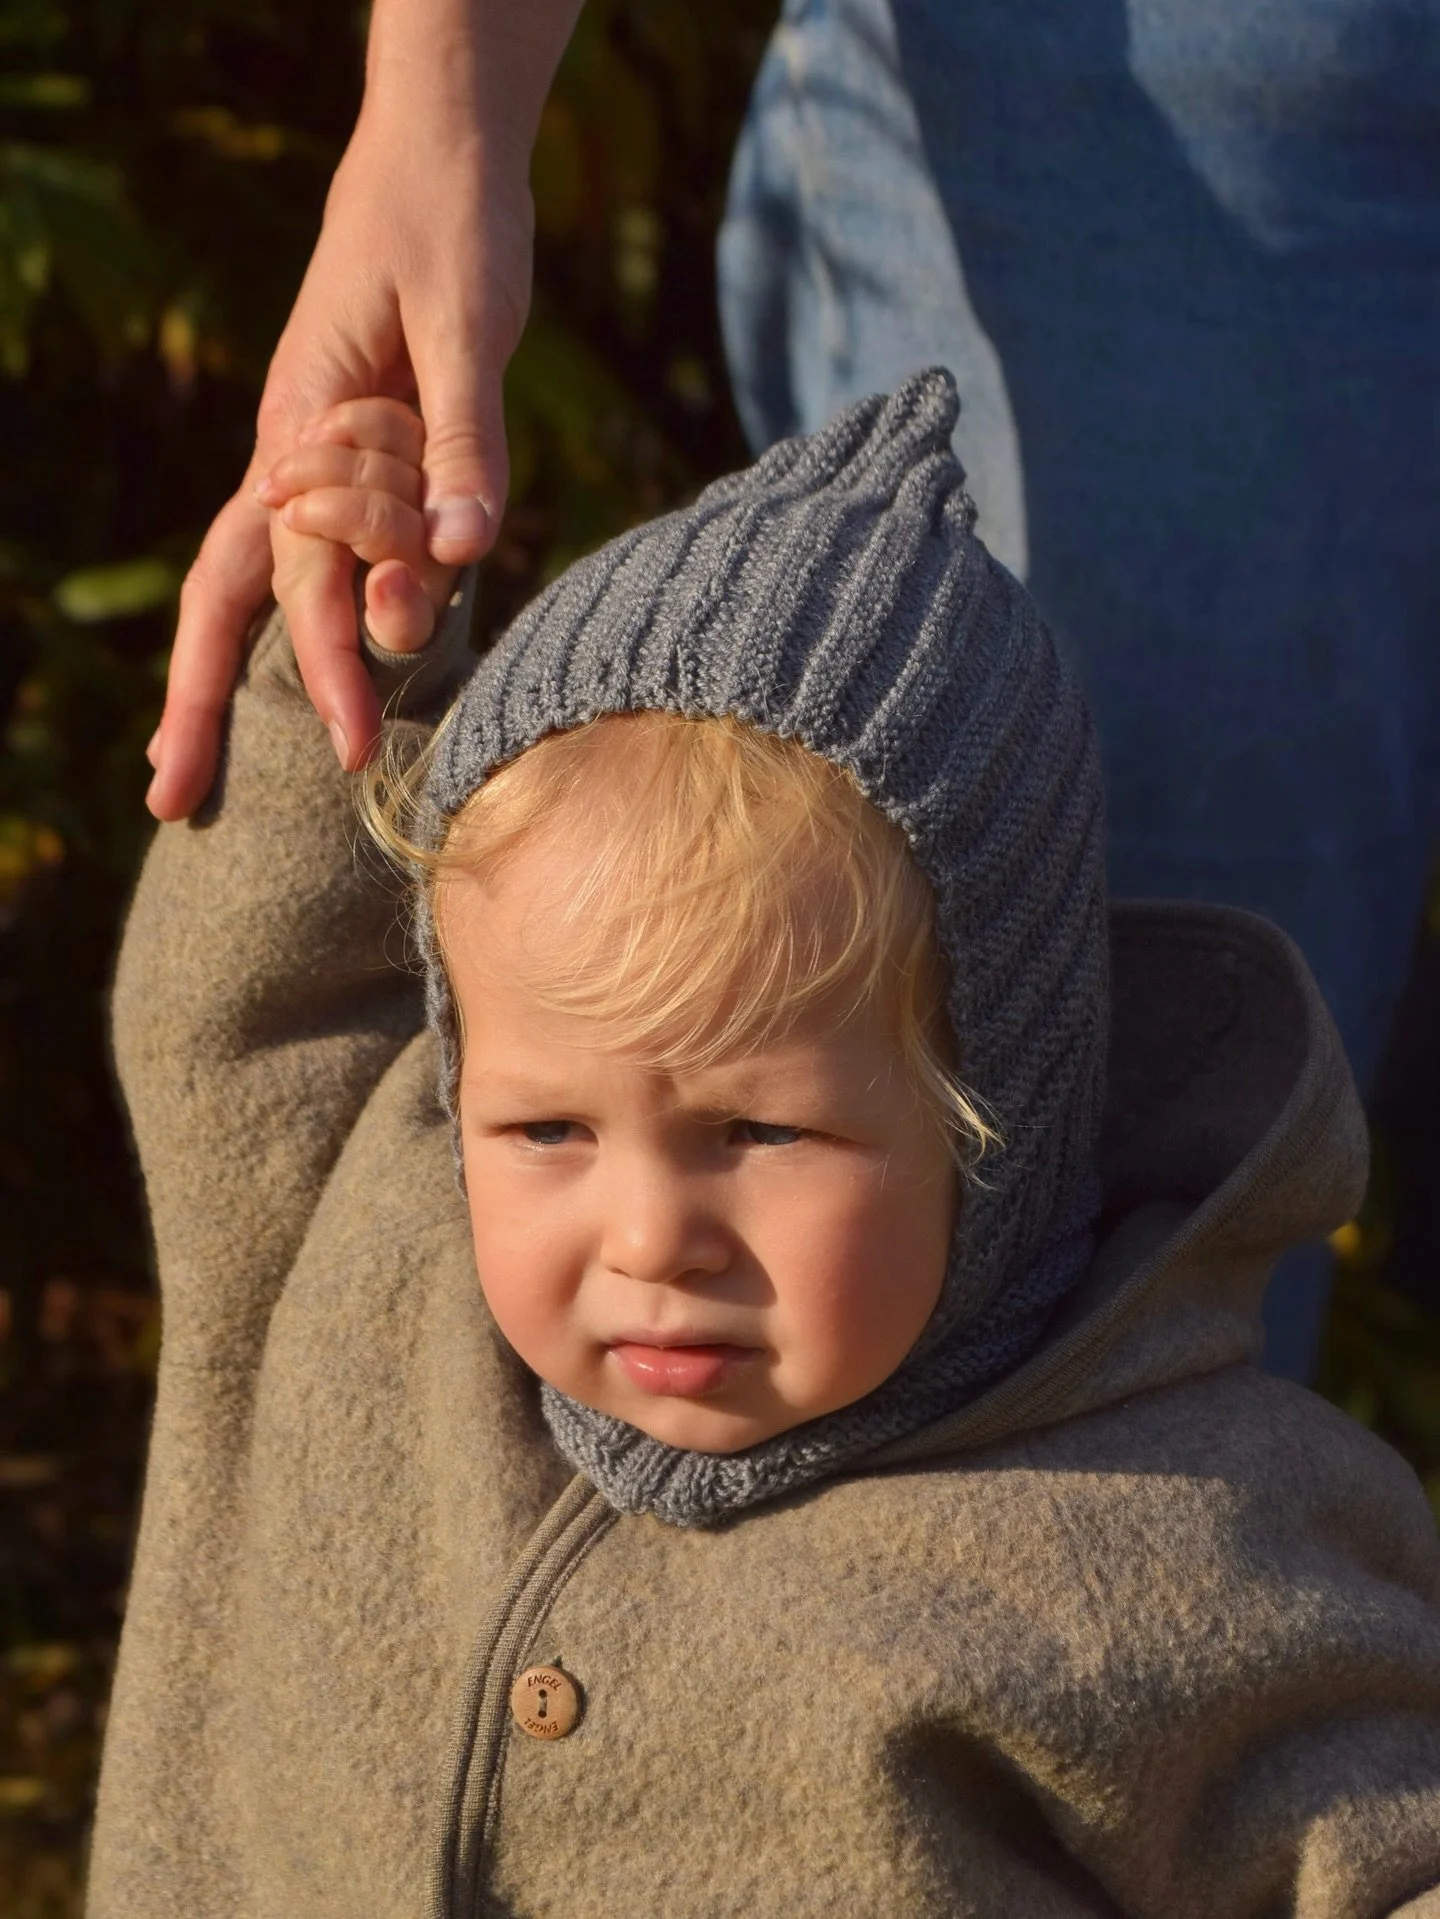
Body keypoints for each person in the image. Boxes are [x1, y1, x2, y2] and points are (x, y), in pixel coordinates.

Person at [95, 373, 1440, 1916]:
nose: (650, 1232)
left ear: (993, 1111)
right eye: (546, 1125)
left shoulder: (1179, 1528)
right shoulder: (369, 1251)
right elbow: (250, 1009)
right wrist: (344, 645)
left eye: (757, 1129)